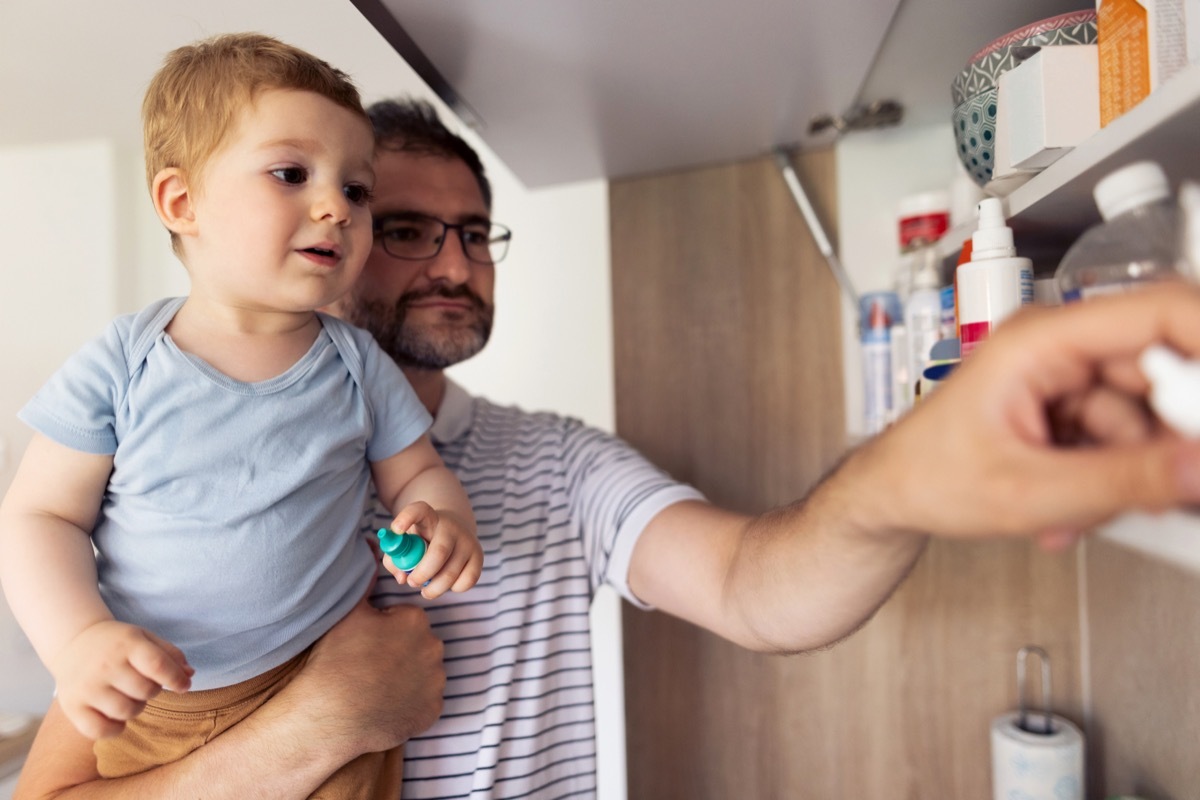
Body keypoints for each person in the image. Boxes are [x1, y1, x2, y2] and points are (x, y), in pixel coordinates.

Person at [14, 98, 1200, 799]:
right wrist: (316, 724)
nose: (455, 263)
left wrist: (914, 473)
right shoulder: (170, 501)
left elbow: (758, 585)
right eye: (410, 227)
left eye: (477, 234)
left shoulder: (554, 465)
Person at [0, 47, 482, 798]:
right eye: (292, 174)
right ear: (181, 203)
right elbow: (38, 515)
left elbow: (417, 473)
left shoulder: (355, 364)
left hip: (328, 669)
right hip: (160, 695)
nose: (337, 207)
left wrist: (442, 519)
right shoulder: (123, 363)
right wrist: (78, 641)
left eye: (356, 190)